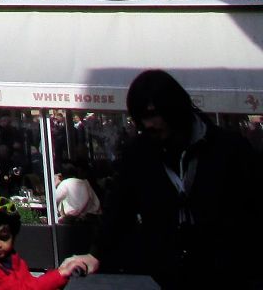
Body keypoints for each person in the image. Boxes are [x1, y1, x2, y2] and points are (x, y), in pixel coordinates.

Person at [84, 67, 261, 288]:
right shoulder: (139, 153)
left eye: (153, 114)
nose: (148, 125)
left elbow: (254, 208)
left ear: (175, 109)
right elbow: (118, 208)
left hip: (227, 273)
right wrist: (96, 253)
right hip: (166, 275)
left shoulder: (228, 148)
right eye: (141, 118)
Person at [0, 195, 92, 290]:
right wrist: (60, 274)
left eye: (4, 237)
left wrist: (61, 272)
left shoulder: (12, 259)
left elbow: (30, 283)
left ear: (13, 236)